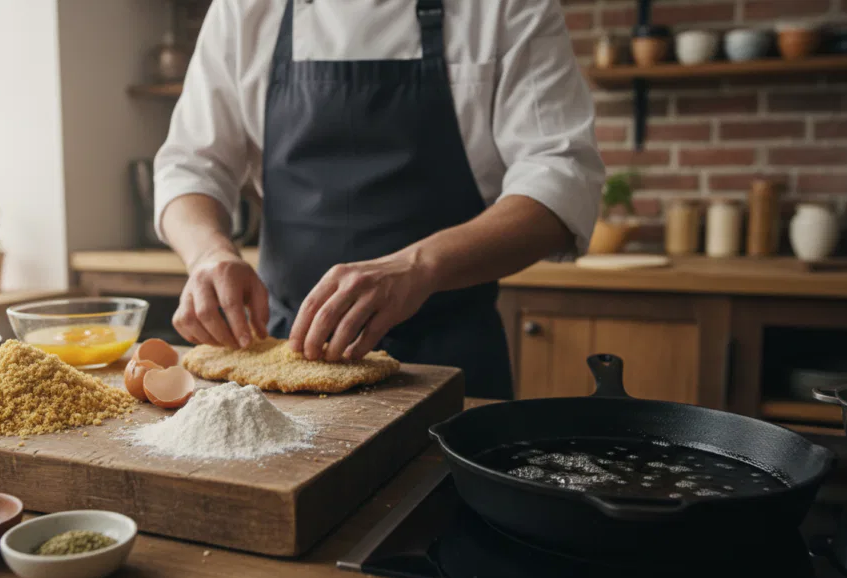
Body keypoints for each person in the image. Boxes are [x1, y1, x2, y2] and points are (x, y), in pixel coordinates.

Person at [154, 0, 604, 399]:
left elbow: (562, 178)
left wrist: (419, 266)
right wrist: (209, 255)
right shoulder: (244, 10)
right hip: (286, 352)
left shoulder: (505, 9)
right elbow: (190, 165)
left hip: (450, 363)